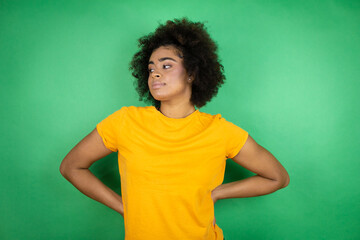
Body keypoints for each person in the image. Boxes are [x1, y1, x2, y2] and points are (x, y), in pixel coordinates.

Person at [60, 17, 290, 240]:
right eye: (151, 69)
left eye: (166, 65)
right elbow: (71, 166)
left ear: (191, 73)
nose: (155, 73)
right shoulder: (125, 122)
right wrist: (124, 207)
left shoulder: (220, 131)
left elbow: (277, 178)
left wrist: (219, 192)